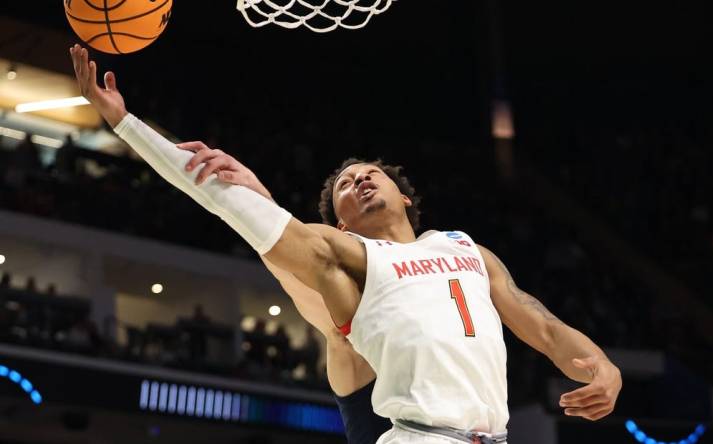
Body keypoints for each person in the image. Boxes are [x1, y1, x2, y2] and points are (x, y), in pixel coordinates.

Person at [70, 44, 622, 444]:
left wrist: (603, 368)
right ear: (339, 226)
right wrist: (128, 125)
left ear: (406, 198)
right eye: (343, 185)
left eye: (369, 174)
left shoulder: (468, 250)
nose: (359, 179)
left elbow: (542, 325)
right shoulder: (348, 270)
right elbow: (253, 225)